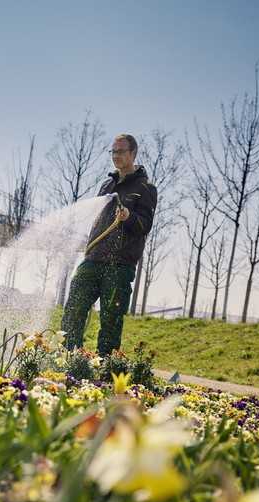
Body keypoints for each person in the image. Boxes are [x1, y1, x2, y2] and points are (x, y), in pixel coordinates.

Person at [60, 133, 158, 357]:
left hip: (119, 265)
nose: (116, 156)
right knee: (73, 308)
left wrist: (128, 217)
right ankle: (66, 359)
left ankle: (105, 368)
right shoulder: (107, 185)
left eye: (120, 151)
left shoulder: (145, 188)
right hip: (93, 259)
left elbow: (145, 224)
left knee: (111, 320)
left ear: (133, 153)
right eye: (113, 151)